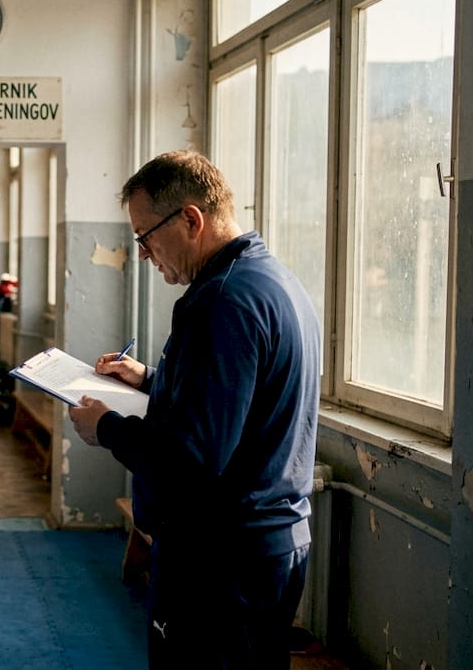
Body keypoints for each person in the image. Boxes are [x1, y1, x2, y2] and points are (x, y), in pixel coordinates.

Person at [66, 150, 320, 670]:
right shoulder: (271, 281)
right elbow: (236, 404)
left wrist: (106, 428)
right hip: (267, 545)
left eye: (144, 236)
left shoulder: (220, 301)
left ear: (190, 219)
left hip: (219, 559)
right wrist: (150, 380)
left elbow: (192, 459)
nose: (142, 253)